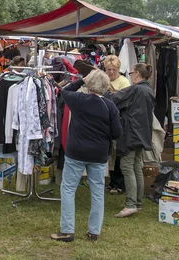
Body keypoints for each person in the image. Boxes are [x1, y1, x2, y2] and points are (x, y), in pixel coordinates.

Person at [51, 70, 122, 243]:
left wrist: (82, 80)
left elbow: (65, 91)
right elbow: (117, 133)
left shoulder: (78, 100)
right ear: (106, 86)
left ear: (88, 84)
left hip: (76, 151)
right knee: (97, 191)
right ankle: (94, 232)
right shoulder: (109, 105)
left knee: (68, 189)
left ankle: (67, 230)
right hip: (98, 153)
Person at [111, 63, 156, 218]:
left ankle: (131, 204)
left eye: (131, 73)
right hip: (142, 133)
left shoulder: (136, 89)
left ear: (137, 73)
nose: (130, 76)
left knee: (127, 167)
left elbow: (115, 99)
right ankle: (137, 203)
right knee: (136, 167)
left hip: (131, 133)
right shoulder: (148, 90)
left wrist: (105, 91)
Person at [102, 55, 131, 194]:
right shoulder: (104, 80)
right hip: (107, 120)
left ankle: (119, 184)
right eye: (108, 69)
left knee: (118, 153)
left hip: (120, 120)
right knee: (111, 154)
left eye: (114, 69)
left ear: (118, 69)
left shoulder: (124, 81)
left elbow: (122, 100)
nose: (111, 72)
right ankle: (112, 182)